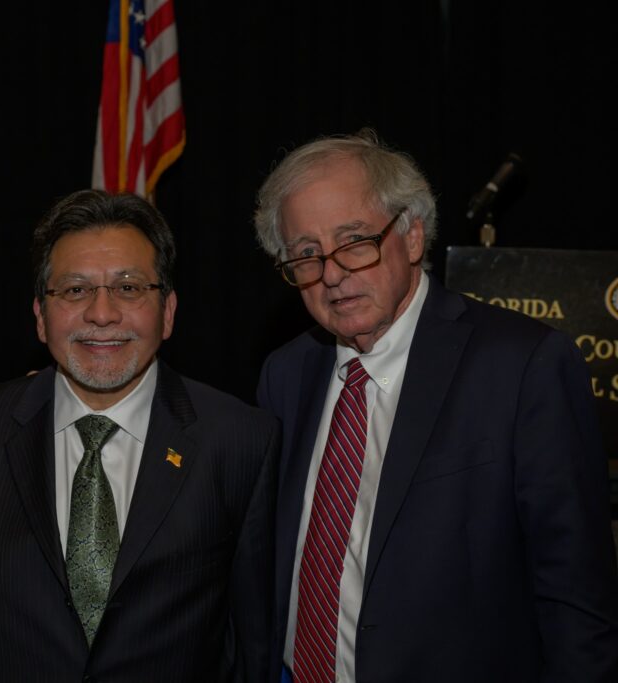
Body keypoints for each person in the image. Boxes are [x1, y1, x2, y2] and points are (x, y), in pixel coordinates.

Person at [254, 129, 618, 682]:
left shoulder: (524, 366)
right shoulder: (286, 374)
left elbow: (577, 601)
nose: (332, 274)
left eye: (354, 241)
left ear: (413, 235)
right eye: (306, 254)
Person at [0, 189, 280, 681]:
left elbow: (253, 647)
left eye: (129, 288)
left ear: (169, 311)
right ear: (39, 316)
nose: (101, 314)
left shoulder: (241, 440)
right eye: (74, 290)